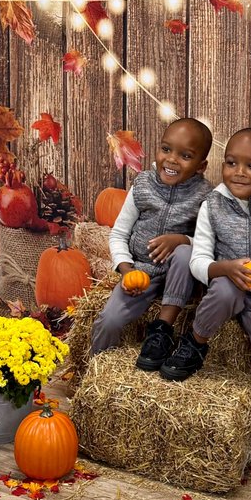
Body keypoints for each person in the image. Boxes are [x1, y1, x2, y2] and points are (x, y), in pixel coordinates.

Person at [159, 127, 251, 484]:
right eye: (231, 163)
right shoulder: (212, 205)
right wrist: (225, 269)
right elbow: (198, 261)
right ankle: (194, 343)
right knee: (225, 291)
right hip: (225, 284)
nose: (239, 172)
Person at [89, 117, 212, 371]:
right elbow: (119, 234)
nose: (172, 159)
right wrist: (127, 270)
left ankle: (162, 329)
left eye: (185, 156)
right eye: (166, 149)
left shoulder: (206, 196)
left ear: (201, 166)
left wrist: (181, 239)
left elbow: (209, 243)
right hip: (142, 272)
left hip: (182, 275)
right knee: (108, 320)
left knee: (185, 252)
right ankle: (96, 372)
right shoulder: (143, 185)